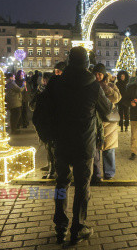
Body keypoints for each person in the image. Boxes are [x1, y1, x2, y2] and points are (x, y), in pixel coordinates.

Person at [46, 47, 111, 245]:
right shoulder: (92, 84)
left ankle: (60, 226)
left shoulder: (56, 82)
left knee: (61, 184)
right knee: (82, 186)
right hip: (85, 143)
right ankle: (78, 227)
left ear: (69, 60)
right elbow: (107, 110)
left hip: (62, 142)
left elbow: (43, 107)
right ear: (86, 63)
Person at [92, 64, 121, 182]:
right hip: (95, 121)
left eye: (100, 74)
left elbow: (117, 98)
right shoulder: (91, 86)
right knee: (95, 148)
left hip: (109, 121)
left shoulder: (111, 85)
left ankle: (109, 172)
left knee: (109, 148)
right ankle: (96, 173)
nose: (98, 76)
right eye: (96, 74)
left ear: (104, 75)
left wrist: (106, 88)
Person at [30, 72, 55, 179]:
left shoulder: (47, 92)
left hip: (49, 123)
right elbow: (32, 106)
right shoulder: (40, 91)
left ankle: (53, 170)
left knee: (52, 148)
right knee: (50, 147)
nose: (44, 82)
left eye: (46, 80)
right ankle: (51, 167)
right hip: (46, 123)